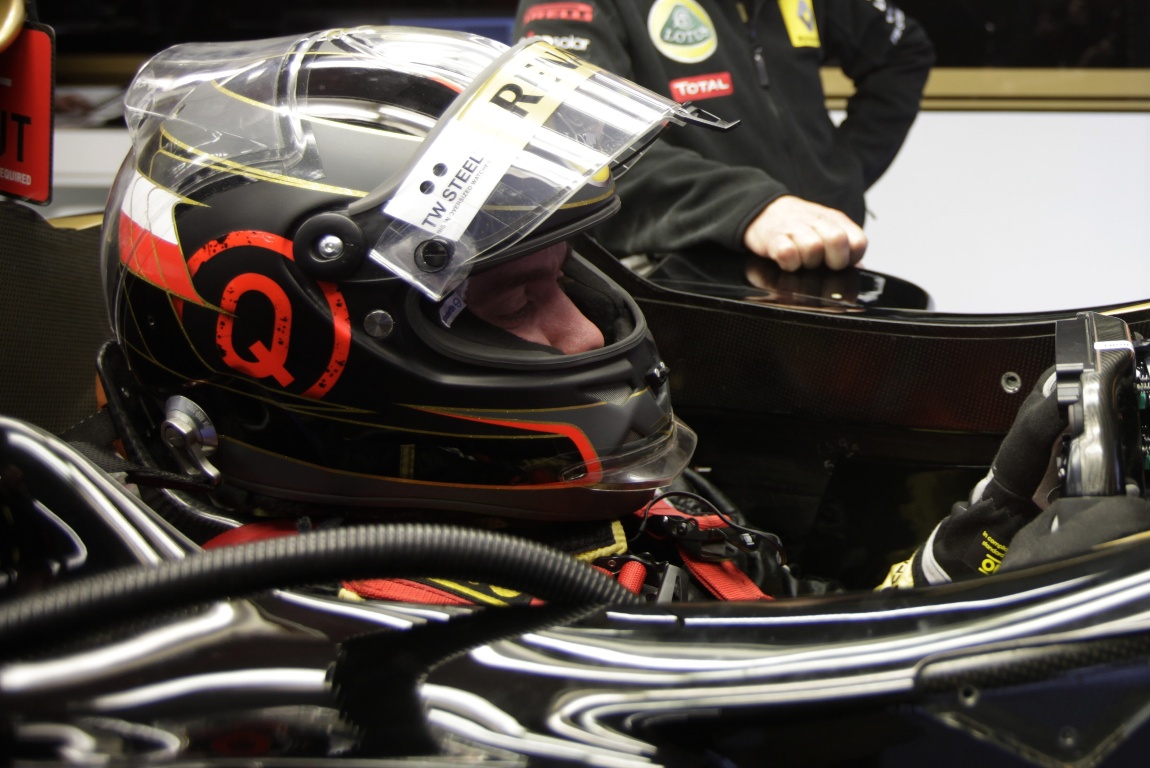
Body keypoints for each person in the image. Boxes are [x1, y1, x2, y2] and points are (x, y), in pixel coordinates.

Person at [92, 25, 1145, 607]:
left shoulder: (604, 515)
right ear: (304, 346)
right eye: (517, 299)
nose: (589, 334)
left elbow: (778, 639)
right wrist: (1022, 622)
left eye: (565, 280)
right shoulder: (334, 628)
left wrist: (975, 550)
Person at [513, 0, 935, 272]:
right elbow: (571, 141)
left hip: (820, 256)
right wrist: (749, 207)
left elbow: (903, 50)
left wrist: (841, 172)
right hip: (676, 276)